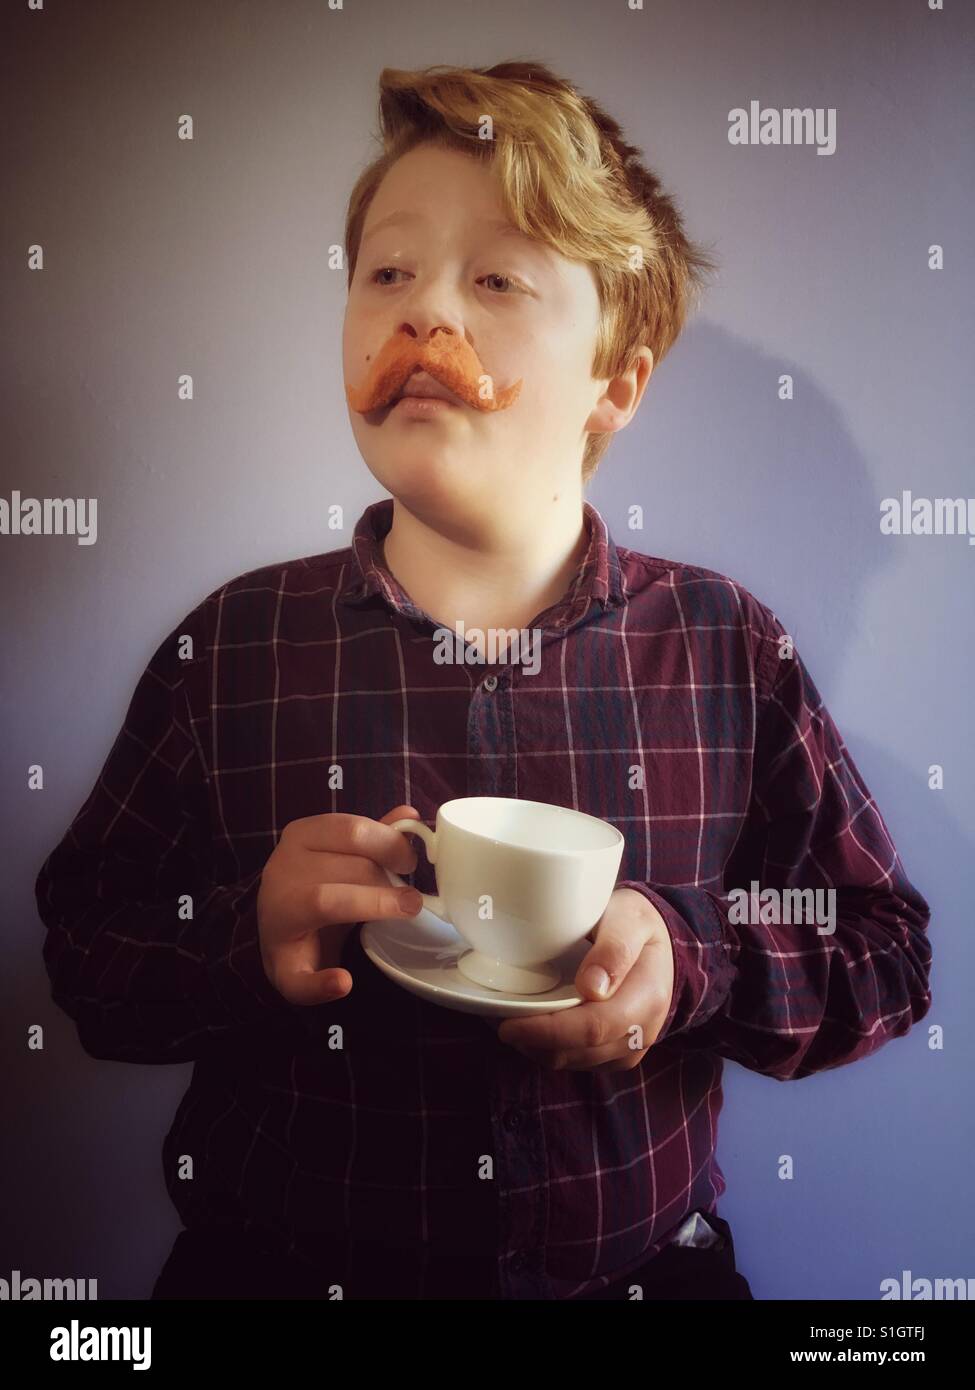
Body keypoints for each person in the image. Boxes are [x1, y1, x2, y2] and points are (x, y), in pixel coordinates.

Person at [35, 60, 932, 1301]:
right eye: (387, 274)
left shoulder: (729, 646)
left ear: (618, 379)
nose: (422, 319)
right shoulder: (230, 647)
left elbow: (888, 952)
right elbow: (84, 957)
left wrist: (690, 961)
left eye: (498, 279)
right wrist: (242, 938)